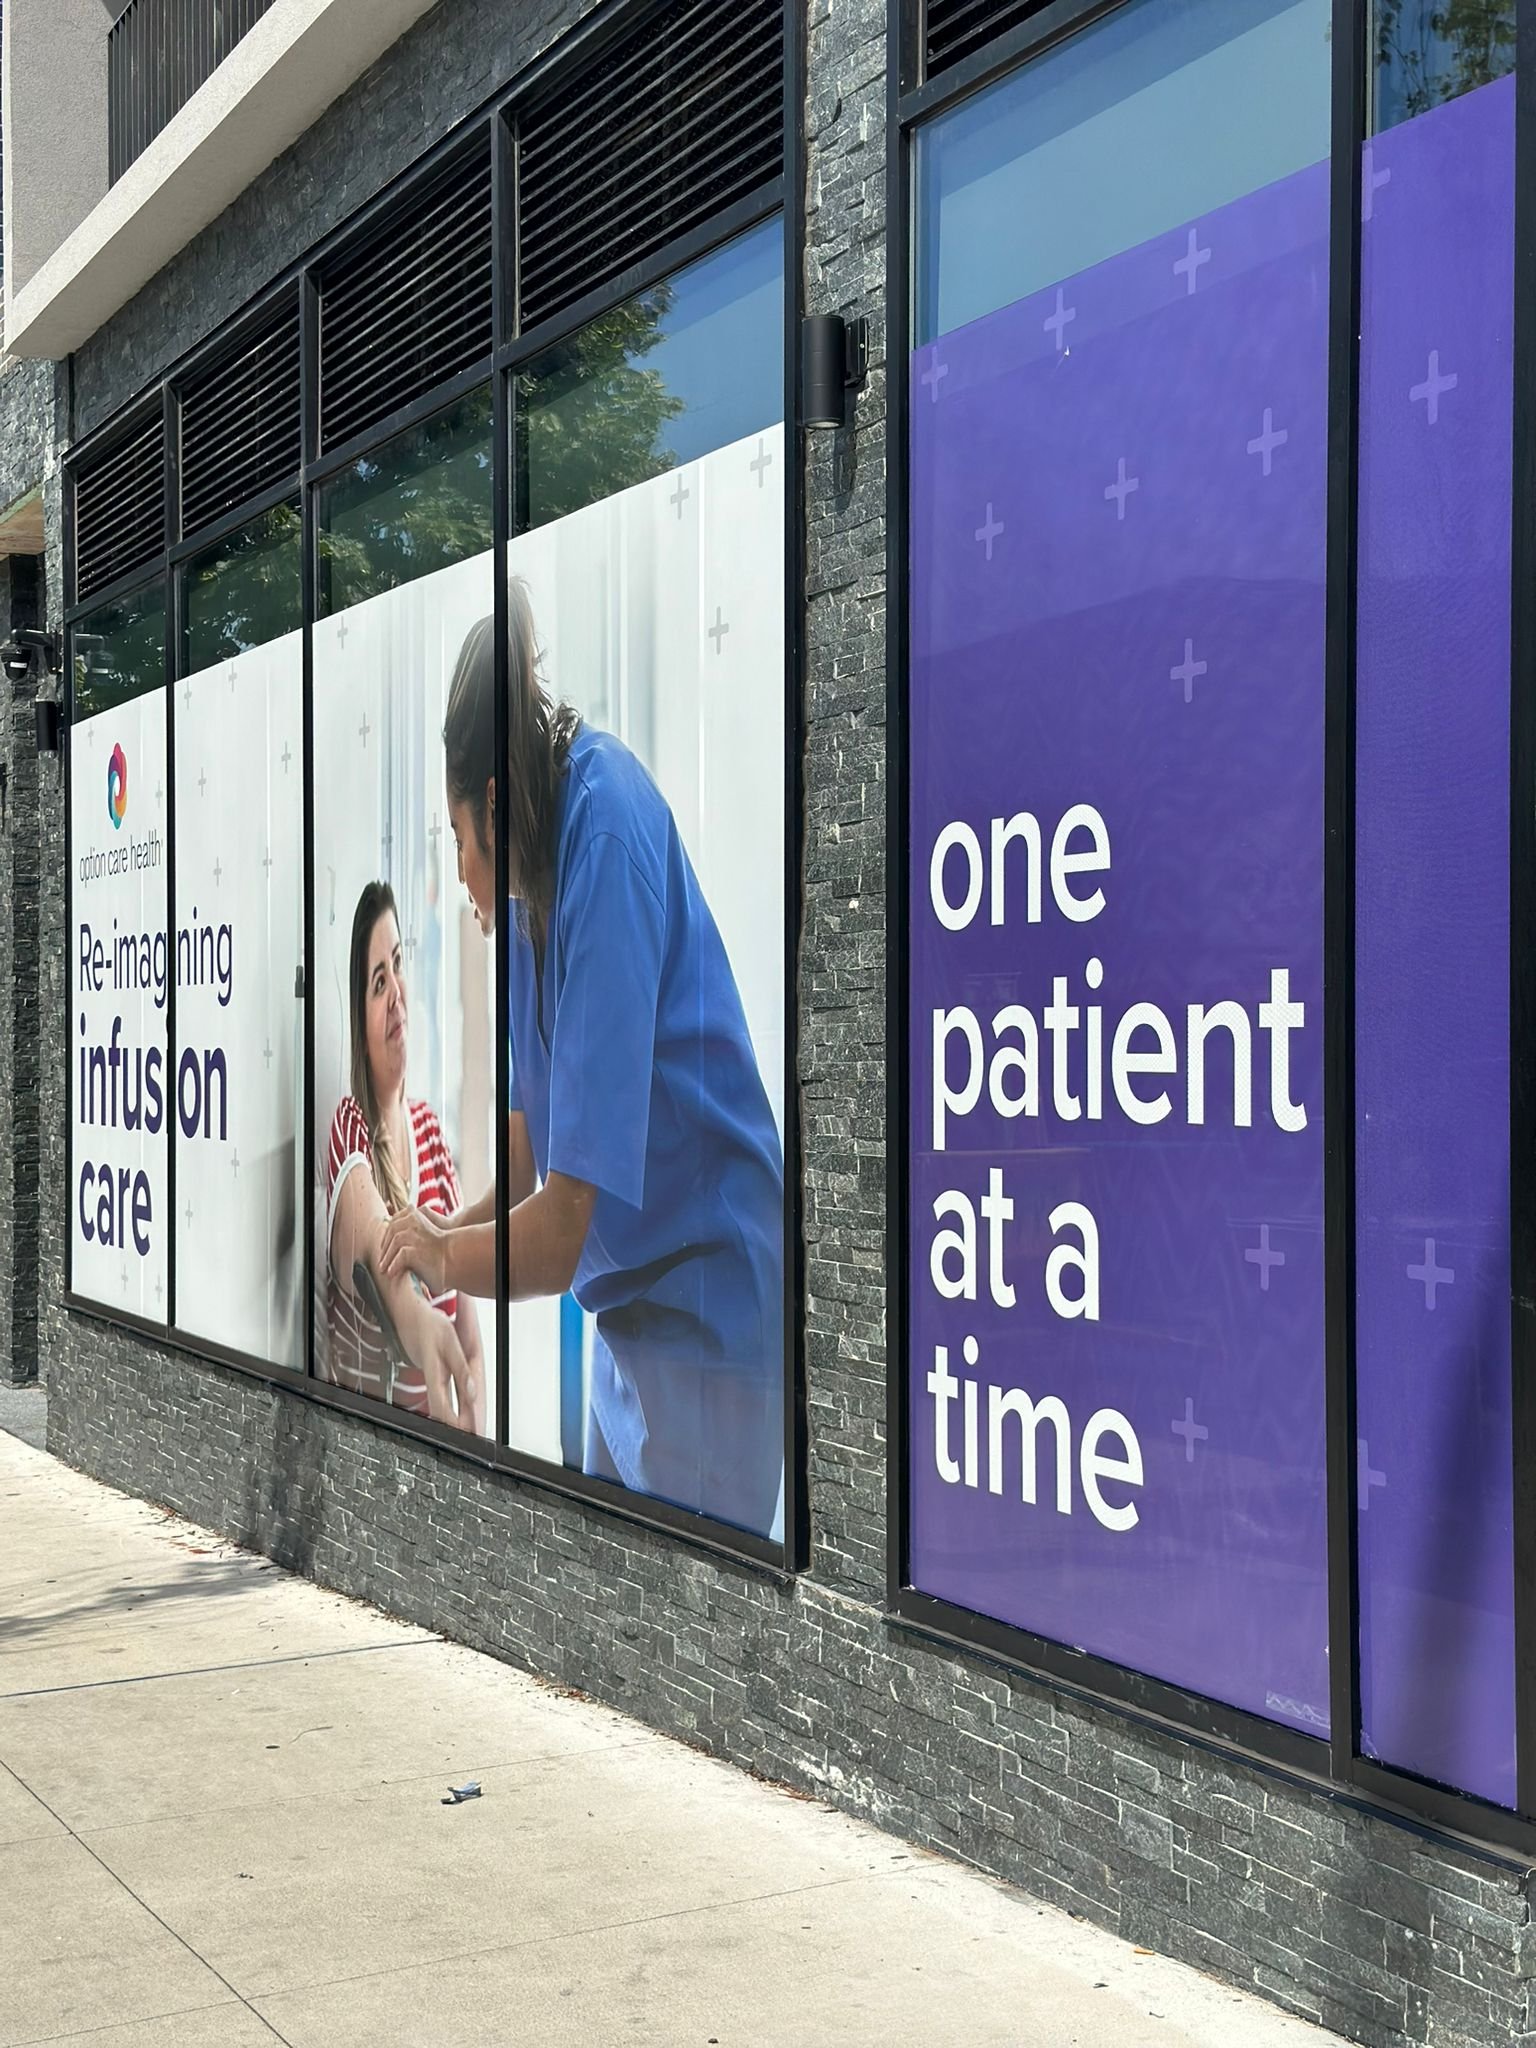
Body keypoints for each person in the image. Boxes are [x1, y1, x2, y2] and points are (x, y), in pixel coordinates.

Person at [379, 584, 784, 1534]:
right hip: (629, 1318)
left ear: (488, 802)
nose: (459, 878)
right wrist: (440, 1230)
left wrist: (442, 1253)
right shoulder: (531, 873)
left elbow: (557, 1233)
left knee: (684, 1640)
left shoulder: (603, 831)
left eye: (456, 844)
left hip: (705, 1303)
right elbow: (529, 1150)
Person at [324, 879, 485, 1435]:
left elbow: (471, 1340)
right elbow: (374, 1243)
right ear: (358, 1019)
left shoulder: (432, 1134)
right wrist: (422, 1326)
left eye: (397, 965)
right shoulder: (349, 1129)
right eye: (376, 983)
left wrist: (473, 1433)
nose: (396, 991)